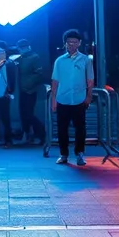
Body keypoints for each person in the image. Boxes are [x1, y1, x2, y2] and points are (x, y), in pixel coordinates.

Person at [51, 29, 95, 166]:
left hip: (79, 99)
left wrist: (89, 96)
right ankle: (63, 154)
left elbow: (90, 80)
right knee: (62, 128)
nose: (72, 45)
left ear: (79, 43)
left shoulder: (86, 60)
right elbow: (55, 81)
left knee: (80, 128)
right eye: (69, 42)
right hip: (62, 99)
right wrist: (53, 100)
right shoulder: (59, 61)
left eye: (75, 42)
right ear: (65, 44)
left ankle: (80, 154)